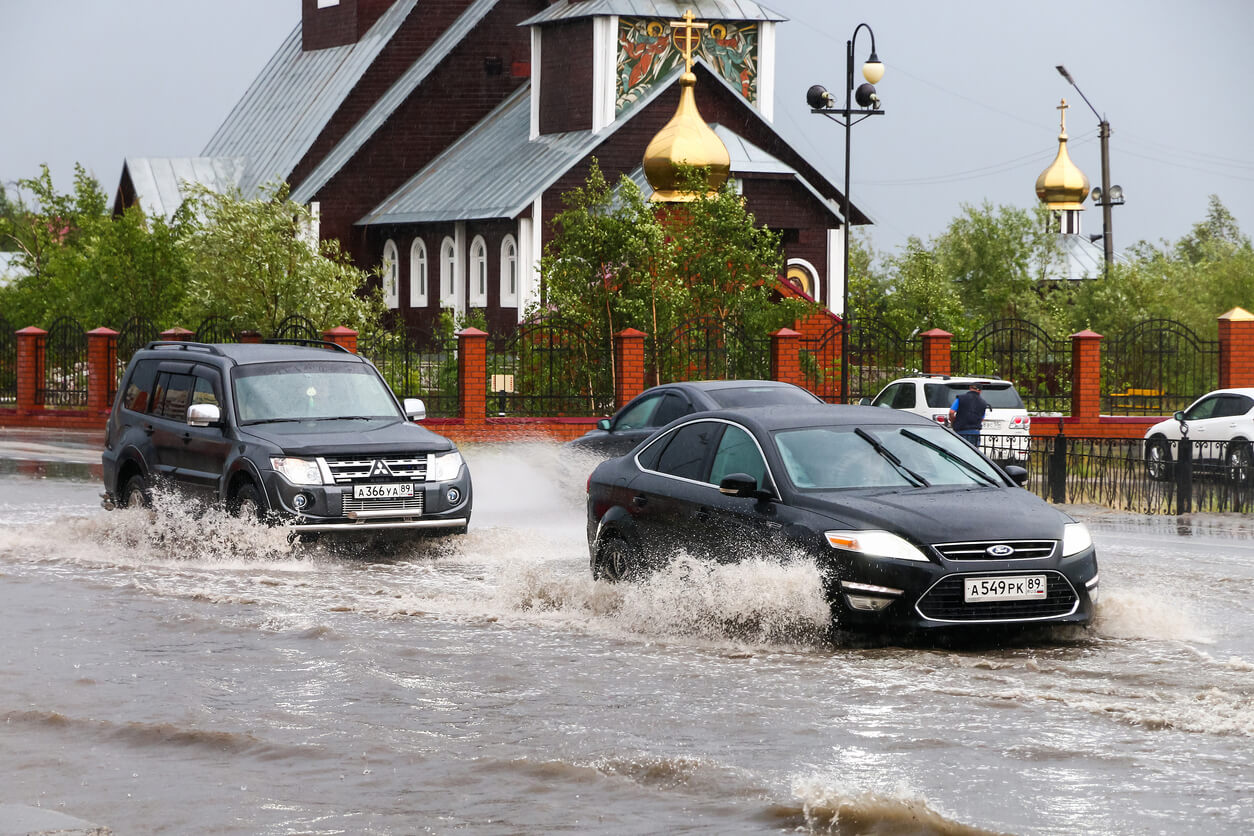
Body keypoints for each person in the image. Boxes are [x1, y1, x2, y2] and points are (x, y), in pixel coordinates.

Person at [949, 383, 991, 447]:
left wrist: (953, 421)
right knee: (973, 451)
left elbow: (951, 412)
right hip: (975, 432)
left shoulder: (960, 398)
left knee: (959, 450)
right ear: (980, 391)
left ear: (970, 388)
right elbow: (982, 419)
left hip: (961, 431)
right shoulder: (983, 403)